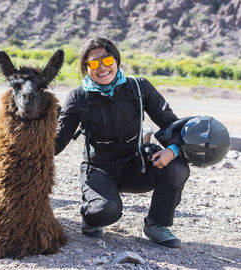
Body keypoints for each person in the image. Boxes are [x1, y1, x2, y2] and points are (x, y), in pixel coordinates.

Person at [55, 37, 190, 248]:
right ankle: (91, 213)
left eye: (107, 60)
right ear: (85, 68)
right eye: (93, 63)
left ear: (116, 60)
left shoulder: (139, 87)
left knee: (177, 168)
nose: (102, 68)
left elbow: (171, 124)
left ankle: (156, 225)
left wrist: (171, 150)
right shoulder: (78, 97)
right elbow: (57, 143)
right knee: (105, 212)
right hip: (99, 169)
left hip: (136, 165)